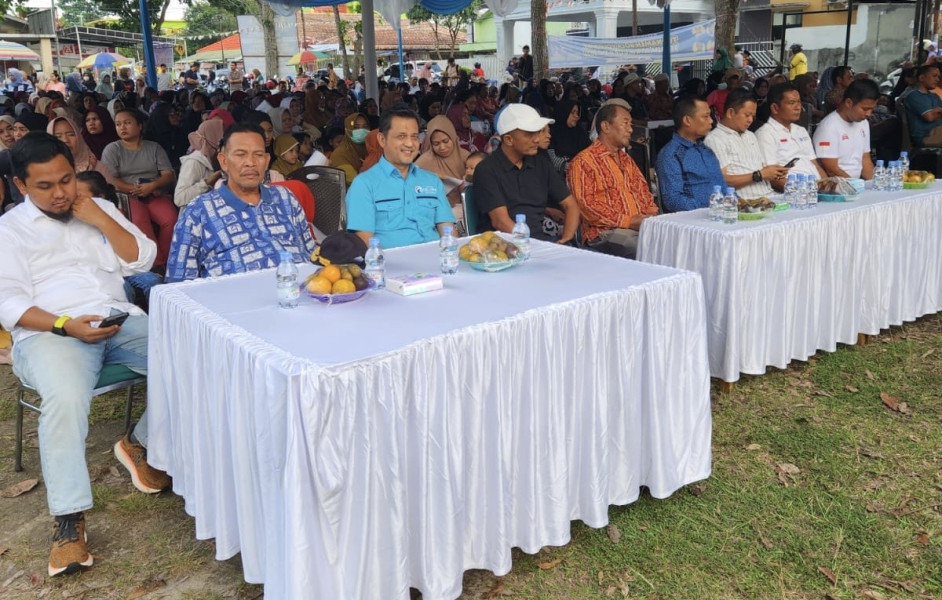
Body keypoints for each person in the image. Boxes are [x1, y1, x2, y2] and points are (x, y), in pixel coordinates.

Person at [0, 132, 168, 578]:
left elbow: (142, 260)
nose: (60, 193)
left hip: (118, 318)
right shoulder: (9, 232)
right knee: (66, 399)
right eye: (45, 186)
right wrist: (63, 325)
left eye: (66, 180)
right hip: (52, 331)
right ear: (21, 186)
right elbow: (7, 302)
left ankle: (142, 444)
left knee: (191, 359)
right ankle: (69, 521)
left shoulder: (98, 208)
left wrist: (100, 217)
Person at [166, 123, 316, 282]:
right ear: (223, 161)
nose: (250, 162)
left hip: (293, 295)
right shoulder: (199, 211)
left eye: (258, 155)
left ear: (266, 161)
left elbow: (310, 255)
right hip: (231, 304)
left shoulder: (286, 199)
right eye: (240, 154)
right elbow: (178, 282)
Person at [346, 103, 455, 249]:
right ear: (382, 140)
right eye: (401, 136)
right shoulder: (364, 185)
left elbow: (448, 231)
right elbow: (365, 242)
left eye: (414, 137)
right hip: (391, 267)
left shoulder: (432, 181)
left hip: (437, 263)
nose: (410, 144)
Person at [473, 104, 580, 243]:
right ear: (509, 140)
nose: (536, 139)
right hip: (503, 247)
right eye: (529, 134)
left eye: (537, 133)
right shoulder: (486, 170)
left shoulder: (541, 163)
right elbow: (500, 221)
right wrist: (532, 246)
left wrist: (565, 239)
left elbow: (570, 205)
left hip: (542, 241)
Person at [567, 103, 657, 257]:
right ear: (605, 126)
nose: (630, 129)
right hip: (604, 232)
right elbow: (587, 206)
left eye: (631, 124)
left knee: (673, 242)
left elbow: (644, 192)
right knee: (649, 248)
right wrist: (629, 221)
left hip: (640, 226)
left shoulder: (627, 160)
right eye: (625, 123)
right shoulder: (584, 161)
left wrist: (651, 215)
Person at [101, 108, 178, 269]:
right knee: (139, 220)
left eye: (127, 123)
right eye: (118, 124)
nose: (122, 128)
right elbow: (111, 179)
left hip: (153, 191)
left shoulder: (154, 148)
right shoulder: (112, 149)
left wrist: (154, 185)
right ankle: (154, 263)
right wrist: (134, 189)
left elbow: (168, 174)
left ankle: (166, 259)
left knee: (170, 218)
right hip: (125, 194)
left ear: (140, 126)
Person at [704, 88, 789, 197]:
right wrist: (759, 175)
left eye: (752, 116)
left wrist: (774, 172)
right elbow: (721, 181)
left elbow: (762, 170)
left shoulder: (750, 136)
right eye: (747, 115)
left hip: (771, 197)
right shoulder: (715, 139)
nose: (750, 120)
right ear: (730, 113)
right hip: (746, 203)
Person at [655, 96, 726, 212]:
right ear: (687, 120)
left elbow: (722, 186)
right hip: (695, 222)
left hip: (720, 216)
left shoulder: (707, 151)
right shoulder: (671, 155)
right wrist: (711, 208)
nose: (711, 121)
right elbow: (673, 200)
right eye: (705, 116)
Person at [755, 83, 826, 183]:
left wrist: (827, 185)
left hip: (815, 189)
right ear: (775, 108)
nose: (798, 107)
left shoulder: (801, 130)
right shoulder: (765, 134)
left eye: (799, 102)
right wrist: (803, 190)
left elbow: (816, 165)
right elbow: (772, 177)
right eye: (791, 103)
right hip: (791, 193)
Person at [813, 79, 878, 179]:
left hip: (856, 183)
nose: (869, 114)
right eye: (865, 109)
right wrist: (854, 185)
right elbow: (831, 169)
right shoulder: (829, 127)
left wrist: (875, 184)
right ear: (848, 103)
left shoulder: (863, 123)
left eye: (872, 109)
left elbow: (865, 160)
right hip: (837, 187)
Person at [416, 115, 469, 209]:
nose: (442, 147)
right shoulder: (423, 163)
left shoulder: (467, 158)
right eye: (436, 144)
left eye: (446, 141)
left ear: (453, 137)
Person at [174, 118, 224, 207]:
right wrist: (207, 183)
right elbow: (179, 198)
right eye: (222, 133)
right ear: (214, 136)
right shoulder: (194, 162)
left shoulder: (219, 157)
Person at [903, 63, 942, 147]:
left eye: (938, 77)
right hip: (927, 135)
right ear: (922, 78)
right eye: (934, 76)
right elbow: (930, 117)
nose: (937, 79)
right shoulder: (914, 95)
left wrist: (937, 110)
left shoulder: (934, 96)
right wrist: (936, 111)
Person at [548, 99, 591, 173]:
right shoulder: (551, 134)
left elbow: (590, 151)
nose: (576, 116)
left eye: (577, 113)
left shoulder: (581, 132)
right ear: (563, 113)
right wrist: (566, 166)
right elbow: (551, 156)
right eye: (572, 112)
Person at [328, 112, 369, 182]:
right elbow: (355, 182)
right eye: (356, 127)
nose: (361, 130)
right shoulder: (340, 155)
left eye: (365, 127)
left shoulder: (370, 149)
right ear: (347, 130)